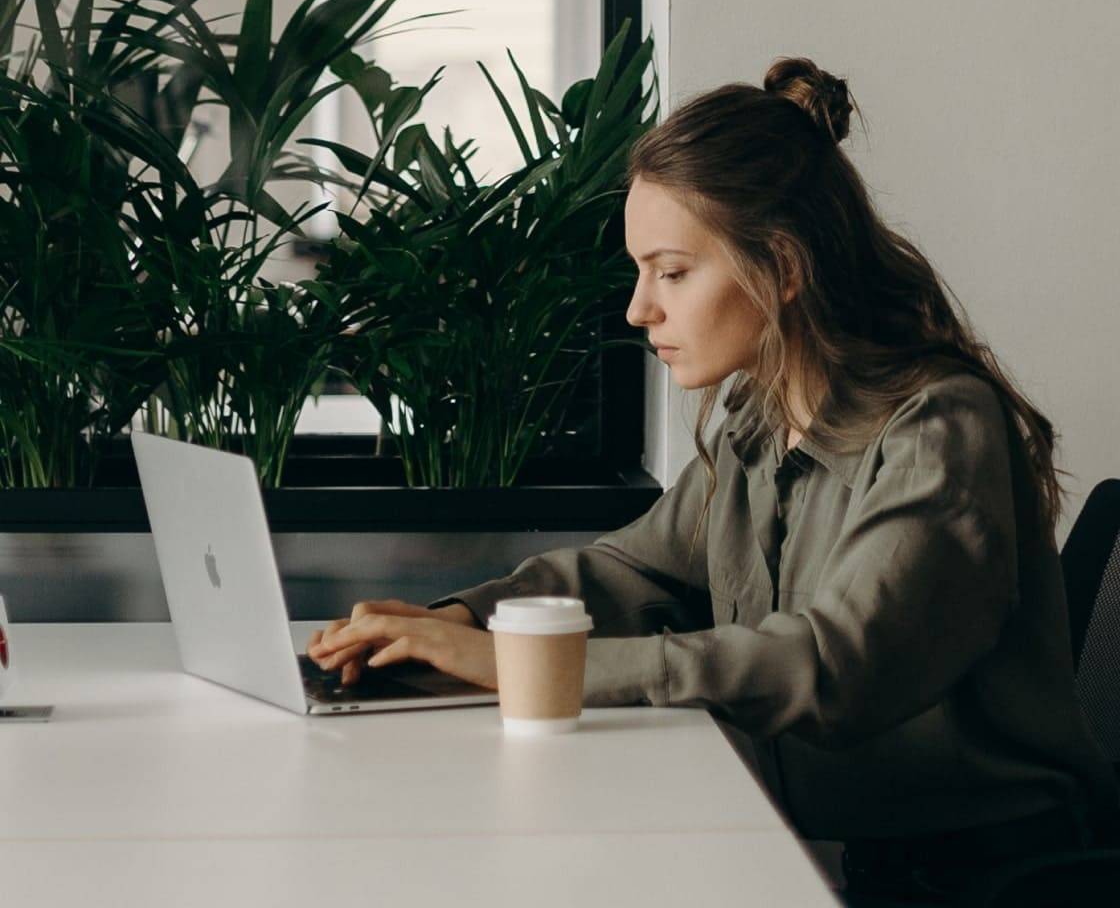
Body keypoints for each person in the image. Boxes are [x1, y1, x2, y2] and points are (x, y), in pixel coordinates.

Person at [307, 58, 1117, 905]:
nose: (638, 309)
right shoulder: (762, 421)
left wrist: (521, 665)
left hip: (978, 881)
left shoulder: (940, 429)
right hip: (810, 842)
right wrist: (455, 621)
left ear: (784, 268)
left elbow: (838, 665)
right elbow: (633, 569)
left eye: (673, 271)